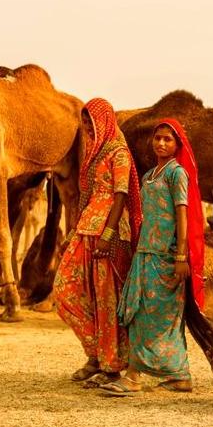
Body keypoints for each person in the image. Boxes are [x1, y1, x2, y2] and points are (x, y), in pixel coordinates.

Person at [101, 118, 213, 396]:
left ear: (177, 144)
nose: (161, 143)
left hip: (167, 257)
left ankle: (134, 376)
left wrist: (181, 256)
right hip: (146, 254)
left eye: (167, 139)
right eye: (158, 138)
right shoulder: (149, 175)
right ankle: (179, 376)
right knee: (140, 313)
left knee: (156, 317)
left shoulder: (177, 173)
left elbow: (183, 215)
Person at [53, 98, 143, 388]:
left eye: (92, 121)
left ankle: (111, 364)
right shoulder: (93, 154)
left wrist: (107, 233)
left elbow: (121, 195)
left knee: (107, 300)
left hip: (110, 233)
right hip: (86, 228)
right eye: (85, 122)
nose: (88, 127)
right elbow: (87, 197)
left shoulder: (119, 153)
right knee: (66, 290)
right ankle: (95, 352)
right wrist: (73, 233)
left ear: (104, 121)